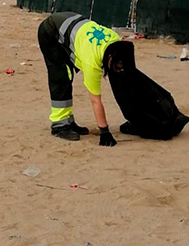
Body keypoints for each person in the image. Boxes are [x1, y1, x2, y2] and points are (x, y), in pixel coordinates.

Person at [37, 11, 127, 146]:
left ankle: (68, 121)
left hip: (70, 23)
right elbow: (95, 101)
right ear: (109, 59)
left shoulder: (115, 39)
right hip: (50, 31)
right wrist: (104, 132)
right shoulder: (92, 62)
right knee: (61, 76)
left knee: (68, 75)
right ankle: (59, 125)